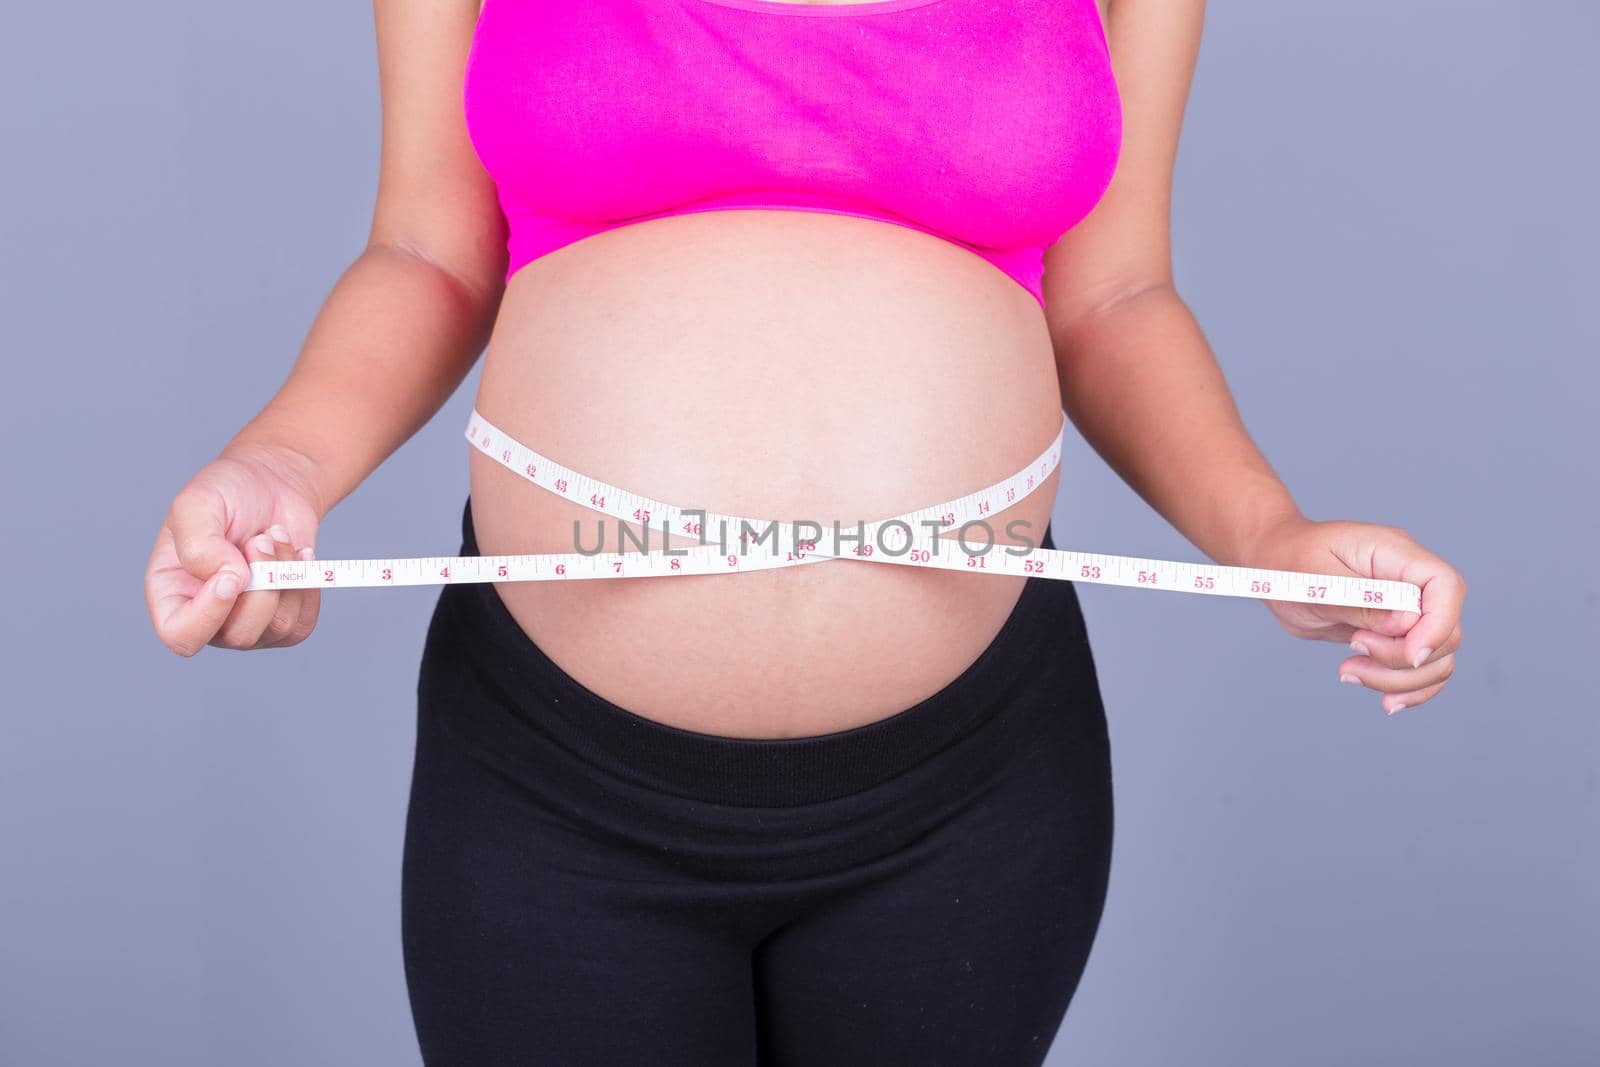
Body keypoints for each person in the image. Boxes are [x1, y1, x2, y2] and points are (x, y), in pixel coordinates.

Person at [143, 0, 1467, 1063]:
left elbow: (1113, 295)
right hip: (556, 782)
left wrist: (1268, 532)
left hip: (971, 795)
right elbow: (430, 251)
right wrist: (284, 464)